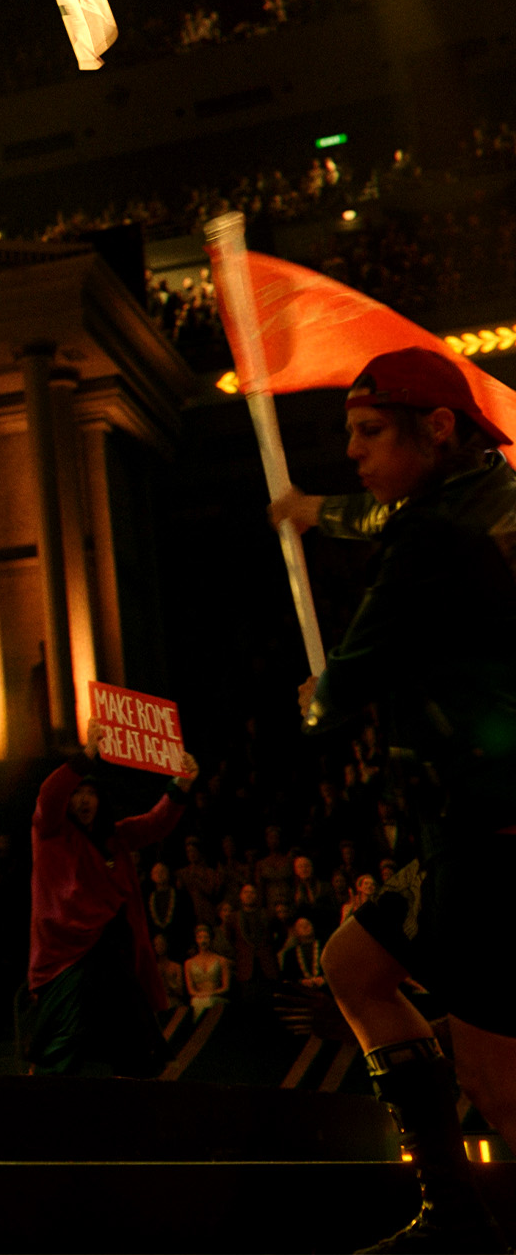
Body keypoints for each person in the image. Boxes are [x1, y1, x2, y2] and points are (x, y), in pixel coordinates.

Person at [271, 347, 516, 1249]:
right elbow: (377, 510)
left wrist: (319, 701)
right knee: (353, 969)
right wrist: (315, 512)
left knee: (501, 1085)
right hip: (469, 823)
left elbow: (348, 685)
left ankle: (480, 1224)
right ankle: (451, 1205)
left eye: (370, 432)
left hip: (491, 832)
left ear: (438, 428)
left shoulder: (431, 537)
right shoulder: (485, 495)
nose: (354, 452)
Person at [27, 750, 198, 1077]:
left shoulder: (115, 837)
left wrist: (182, 783)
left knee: (133, 1031)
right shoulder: (50, 831)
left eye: (90, 793)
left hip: (113, 949)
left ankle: (134, 1101)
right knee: (65, 1038)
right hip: (67, 955)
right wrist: (85, 758)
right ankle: (47, 1103)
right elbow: (49, 795)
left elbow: (154, 823)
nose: (83, 800)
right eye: (76, 793)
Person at [185, 925, 231, 1017]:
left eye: (206, 937)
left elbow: (226, 987)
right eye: (200, 938)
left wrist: (211, 993)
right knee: (197, 1002)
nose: (203, 941)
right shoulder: (189, 963)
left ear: (210, 939)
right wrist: (200, 994)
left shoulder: (221, 960)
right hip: (198, 998)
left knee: (207, 1001)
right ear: (196, 940)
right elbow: (190, 990)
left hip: (216, 997)